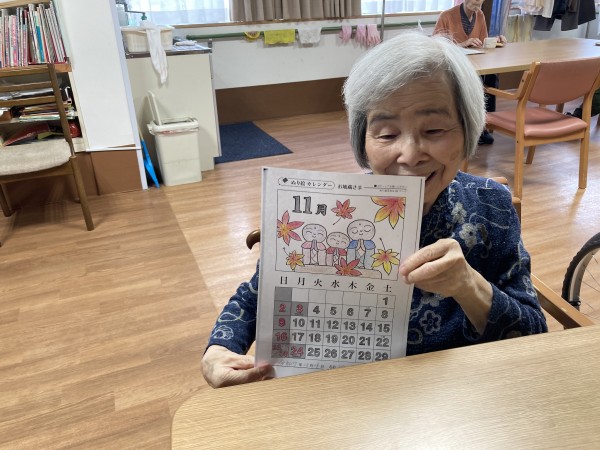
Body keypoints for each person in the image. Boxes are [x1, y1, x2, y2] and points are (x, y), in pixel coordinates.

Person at [201, 31, 548, 389]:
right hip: (352, 395)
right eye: (386, 134)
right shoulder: (329, 212)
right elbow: (257, 295)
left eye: (434, 129)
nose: (410, 155)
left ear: (467, 131)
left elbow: (534, 334)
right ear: (363, 141)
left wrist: (468, 284)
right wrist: (218, 349)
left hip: (457, 396)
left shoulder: (491, 205)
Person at [433, 0, 507, 145]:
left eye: (480, 2)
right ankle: (467, 127)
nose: (477, 5)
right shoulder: (446, 16)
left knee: (491, 77)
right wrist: (463, 44)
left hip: (475, 63)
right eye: (474, 2)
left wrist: (496, 41)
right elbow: (436, 46)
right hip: (453, 65)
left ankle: (484, 126)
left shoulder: (480, 15)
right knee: (473, 81)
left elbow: (483, 43)